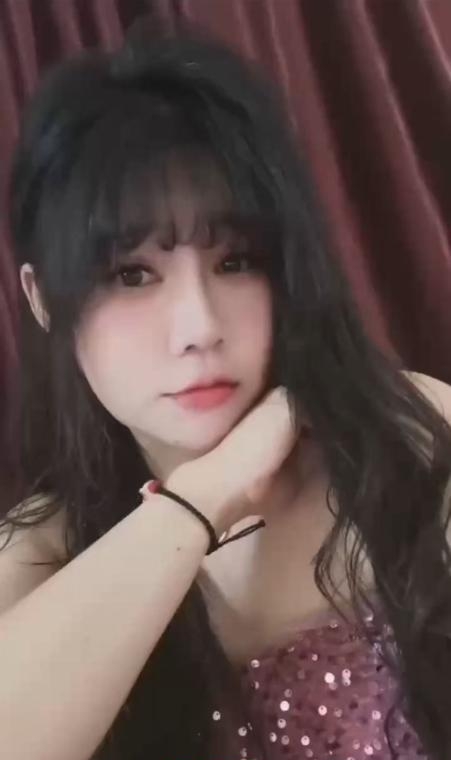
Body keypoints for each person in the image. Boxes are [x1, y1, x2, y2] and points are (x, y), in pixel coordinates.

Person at [1, 20, 451, 760]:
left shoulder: (411, 443)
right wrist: (198, 502)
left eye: (236, 261)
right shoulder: (41, 551)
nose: (199, 328)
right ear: (44, 298)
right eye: (131, 274)